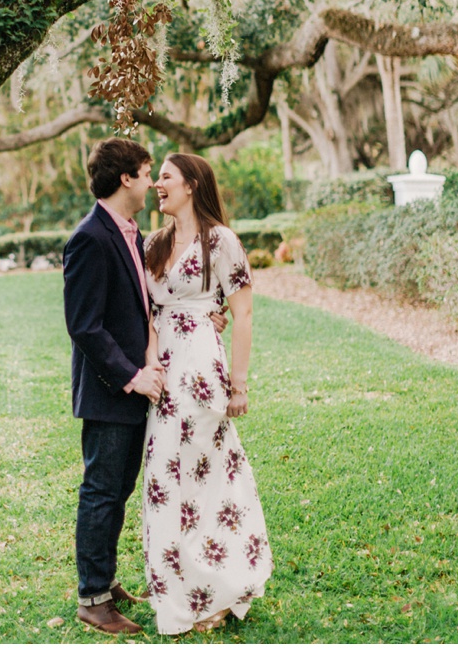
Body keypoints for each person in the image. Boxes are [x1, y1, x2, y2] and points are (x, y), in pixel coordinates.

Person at [142, 153, 272, 636]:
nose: (158, 184)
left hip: (200, 373)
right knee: (164, 478)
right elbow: (146, 310)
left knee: (206, 481)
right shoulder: (154, 243)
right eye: (156, 178)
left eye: (166, 177)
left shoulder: (222, 242)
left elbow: (244, 315)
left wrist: (238, 384)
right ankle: (175, 587)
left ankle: (218, 586)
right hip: (162, 377)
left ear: (192, 184)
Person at [62, 137, 161, 636]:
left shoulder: (130, 232)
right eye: (146, 172)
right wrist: (132, 376)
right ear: (126, 177)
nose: (151, 182)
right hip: (109, 390)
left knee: (118, 488)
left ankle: (105, 580)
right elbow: (84, 326)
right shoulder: (90, 237)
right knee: (101, 490)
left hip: (132, 386)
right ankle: (92, 599)